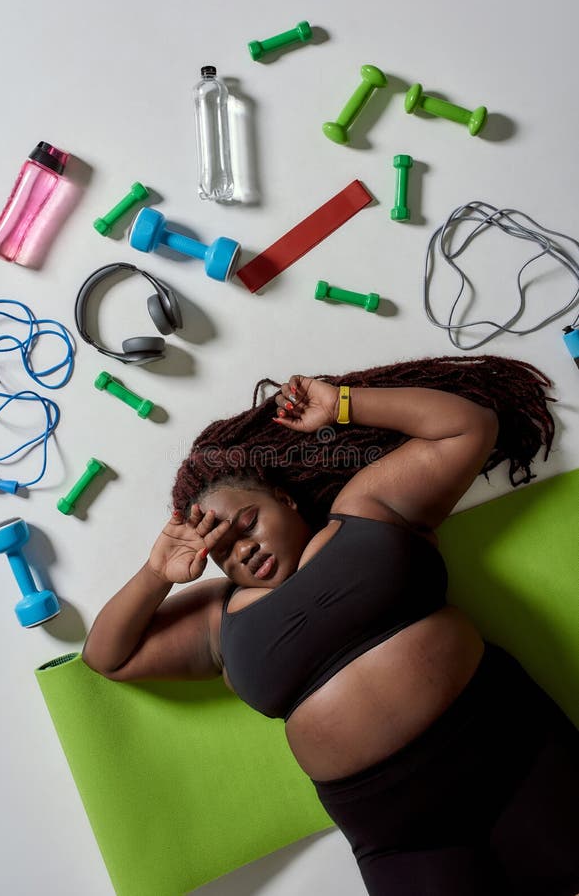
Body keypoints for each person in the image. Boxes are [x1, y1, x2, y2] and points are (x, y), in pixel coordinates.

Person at [83, 354, 579, 896]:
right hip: (402, 833)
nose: (243, 549)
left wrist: (343, 404)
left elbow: (468, 426)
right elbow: (109, 657)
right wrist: (156, 574)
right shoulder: (216, 621)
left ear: (285, 498)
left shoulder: (364, 509)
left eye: (247, 523)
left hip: (510, 749)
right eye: (222, 551)